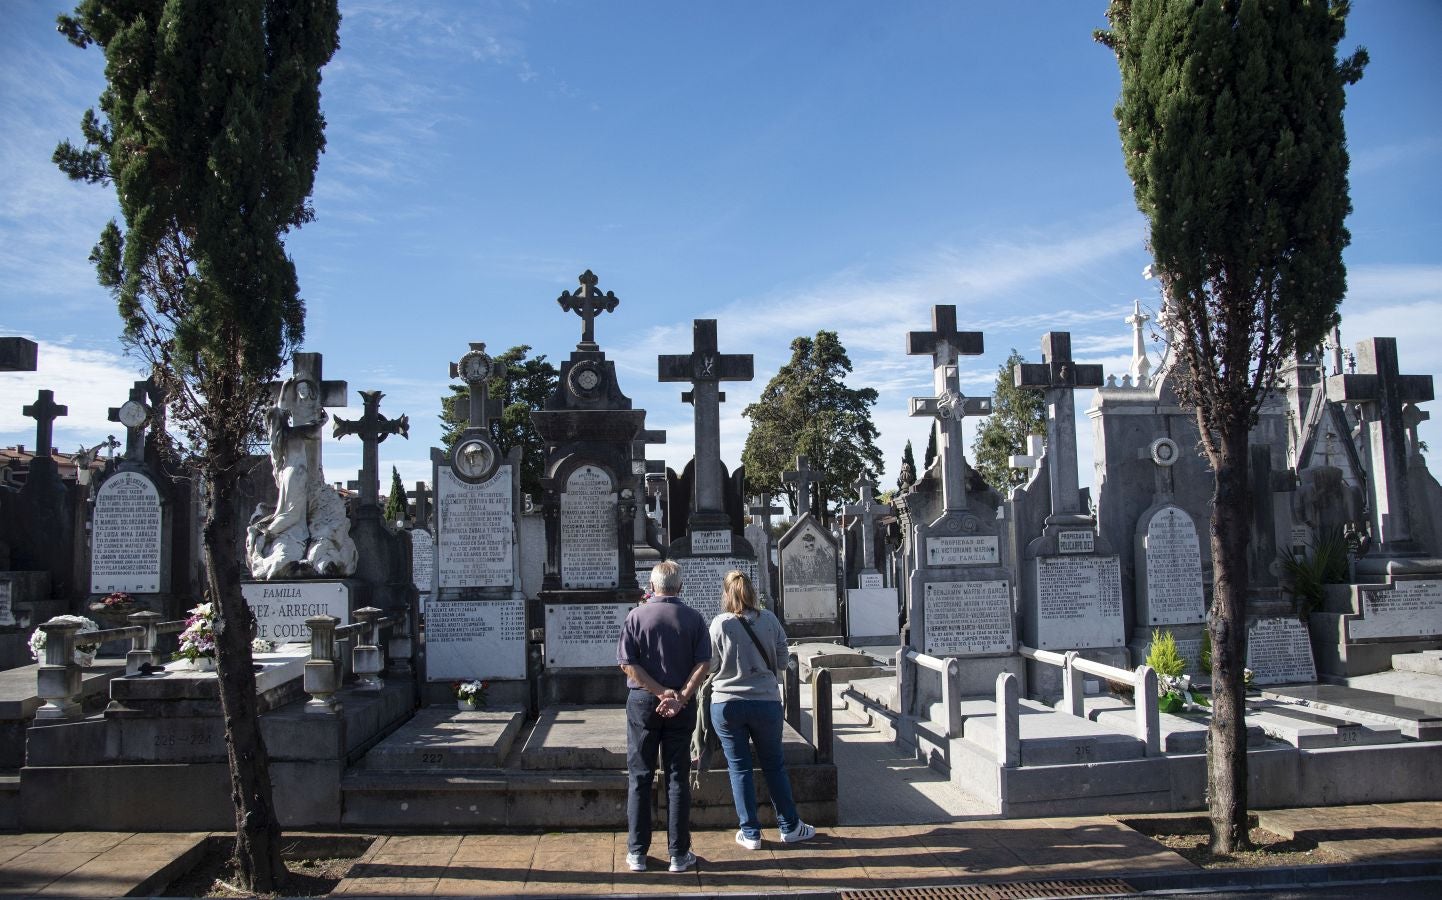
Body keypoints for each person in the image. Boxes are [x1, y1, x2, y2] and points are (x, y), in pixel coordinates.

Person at [707, 570, 816, 849]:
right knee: (774, 766)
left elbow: (711, 666)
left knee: (739, 768)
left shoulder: (719, 624)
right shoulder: (769, 620)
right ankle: (790, 825)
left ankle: (750, 832)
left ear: (727, 594)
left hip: (728, 703)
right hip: (766, 701)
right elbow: (782, 661)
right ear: (752, 592)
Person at [617, 560, 711, 874]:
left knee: (640, 775)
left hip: (644, 702)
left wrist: (659, 692)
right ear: (679, 586)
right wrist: (680, 696)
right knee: (677, 777)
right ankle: (678, 854)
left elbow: (628, 664)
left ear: (652, 586)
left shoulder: (636, 616)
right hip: (680, 706)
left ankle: (637, 854)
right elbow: (703, 663)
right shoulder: (694, 618)